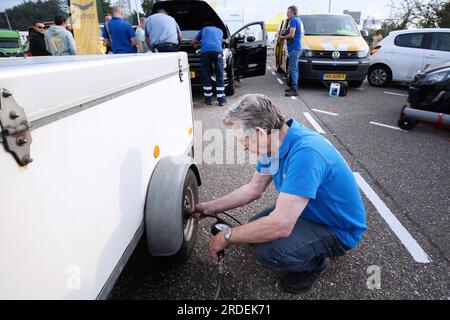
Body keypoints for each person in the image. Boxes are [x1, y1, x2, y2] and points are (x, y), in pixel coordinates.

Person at [193, 94, 367, 294]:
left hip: (337, 228)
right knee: (254, 229)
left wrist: (228, 236)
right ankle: (304, 246)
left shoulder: (306, 153)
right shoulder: (275, 144)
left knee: (267, 250)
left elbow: (280, 225)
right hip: (309, 211)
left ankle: (315, 264)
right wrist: (208, 208)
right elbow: (253, 189)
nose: (243, 146)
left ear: (258, 133)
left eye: (243, 140)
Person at [191, 22, 226, 106]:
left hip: (205, 52)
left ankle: (208, 100)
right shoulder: (220, 31)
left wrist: (192, 44)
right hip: (218, 52)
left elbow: (194, 41)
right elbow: (217, 41)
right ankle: (221, 100)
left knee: (206, 74)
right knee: (219, 74)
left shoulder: (204, 29)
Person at [280, 6, 302, 97]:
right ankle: (293, 87)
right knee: (294, 69)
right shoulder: (298, 19)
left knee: (293, 69)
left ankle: (294, 90)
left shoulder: (293, 20)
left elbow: (292, 35)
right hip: (296, 48)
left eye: (288, 12)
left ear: (293, 12)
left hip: (294, 48)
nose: (287, 13)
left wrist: (283, 37)